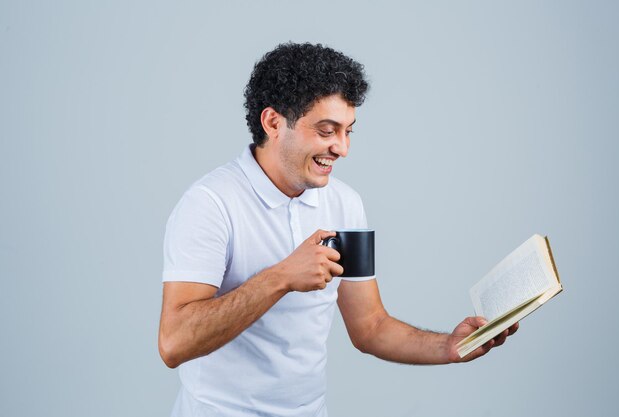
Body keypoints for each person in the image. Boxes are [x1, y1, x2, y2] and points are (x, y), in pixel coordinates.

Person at [158, 42, 518, 417]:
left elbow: (371, 326)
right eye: (327, 130)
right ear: (273, 123)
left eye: (348, 131)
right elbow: (174, 342)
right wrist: (280, 277)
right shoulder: (209, 203)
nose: (342, 148)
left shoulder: (345, 203)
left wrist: (448, 346)